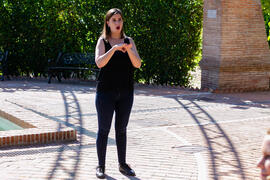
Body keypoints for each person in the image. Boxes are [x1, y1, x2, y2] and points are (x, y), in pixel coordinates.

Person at [94, 8, 141, 179]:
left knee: (121, 129)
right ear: (108, 23)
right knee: (103, 129)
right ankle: (100, 166)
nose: (117, 23)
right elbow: (99, 63)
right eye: (114, 20)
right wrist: (113, 49)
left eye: (119, 19)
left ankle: (122, 164)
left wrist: (128, 49)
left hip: (126, 93)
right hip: (105, 93)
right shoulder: (103, 41)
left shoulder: (129, 41)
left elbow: (137, 64)